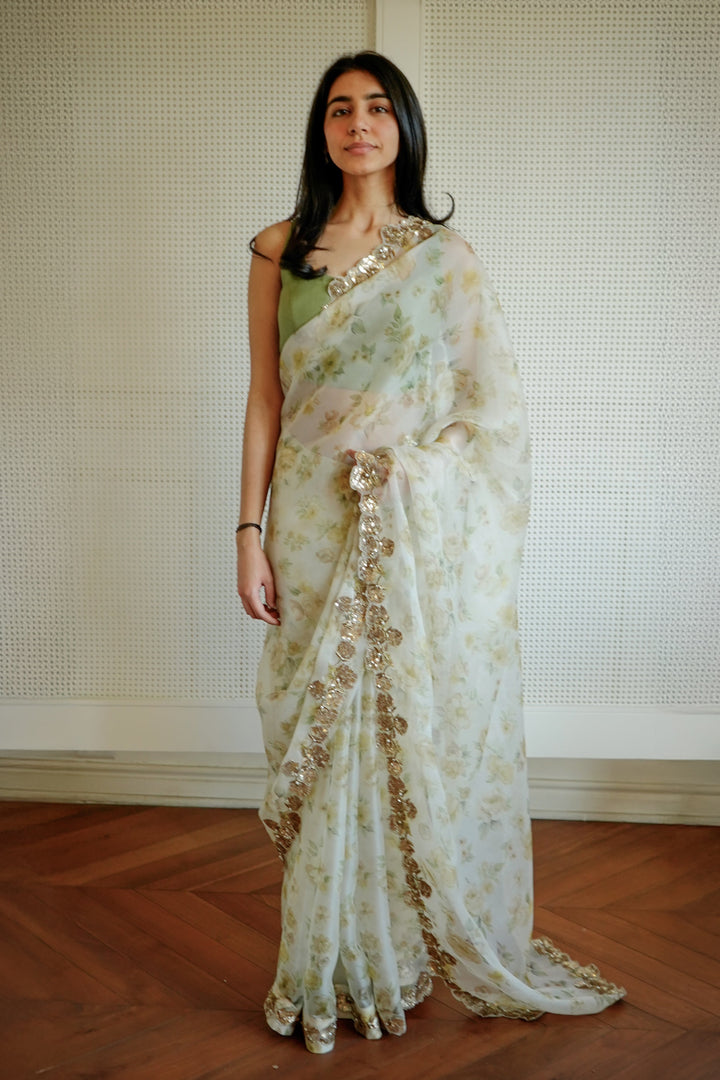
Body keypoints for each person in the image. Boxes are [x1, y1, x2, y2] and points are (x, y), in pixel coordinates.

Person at [236, 51, 624, 1055]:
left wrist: (412, 473)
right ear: (320, 129)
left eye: (375, 107)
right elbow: (267, 403)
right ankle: (325, 967)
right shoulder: (279, 248)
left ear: (403, 124)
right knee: (322, 752)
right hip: (311, 526)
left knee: (391, 736)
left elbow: (492, 415)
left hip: (404, 529)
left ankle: (386, 966)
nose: (357, 124)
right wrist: (247, 533)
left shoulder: (442, 260)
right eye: (337, 109)